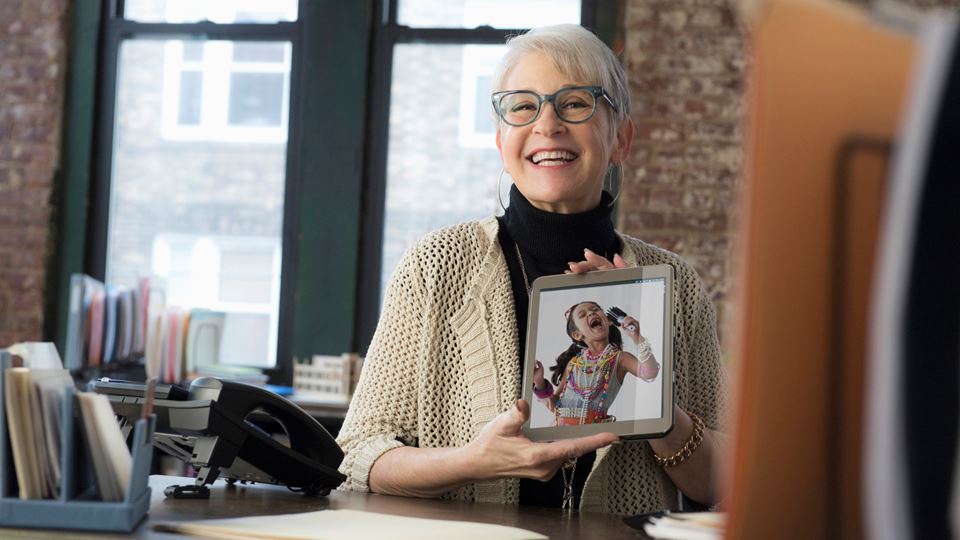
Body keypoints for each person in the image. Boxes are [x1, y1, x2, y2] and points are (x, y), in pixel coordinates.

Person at [337, 23, 727, 513]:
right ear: (503, 143)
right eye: (523, 105)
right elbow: (358, 457)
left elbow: (728, 484)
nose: (547, 124)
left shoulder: (677, 288)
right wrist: (473, 462)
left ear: (621, 139)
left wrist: (657, 412)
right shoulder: (436, 266)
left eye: (577, 102)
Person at [533, 301, 660, 426]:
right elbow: (555, 406)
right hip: (560, 435)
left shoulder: (620, 359)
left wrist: (636, 336)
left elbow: (650, 373)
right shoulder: (574, 364)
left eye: (595, 310)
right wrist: (539, 382)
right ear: (577, 335)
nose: (590, 313)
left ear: (609, 321)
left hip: (593, 437)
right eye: (582, 315)